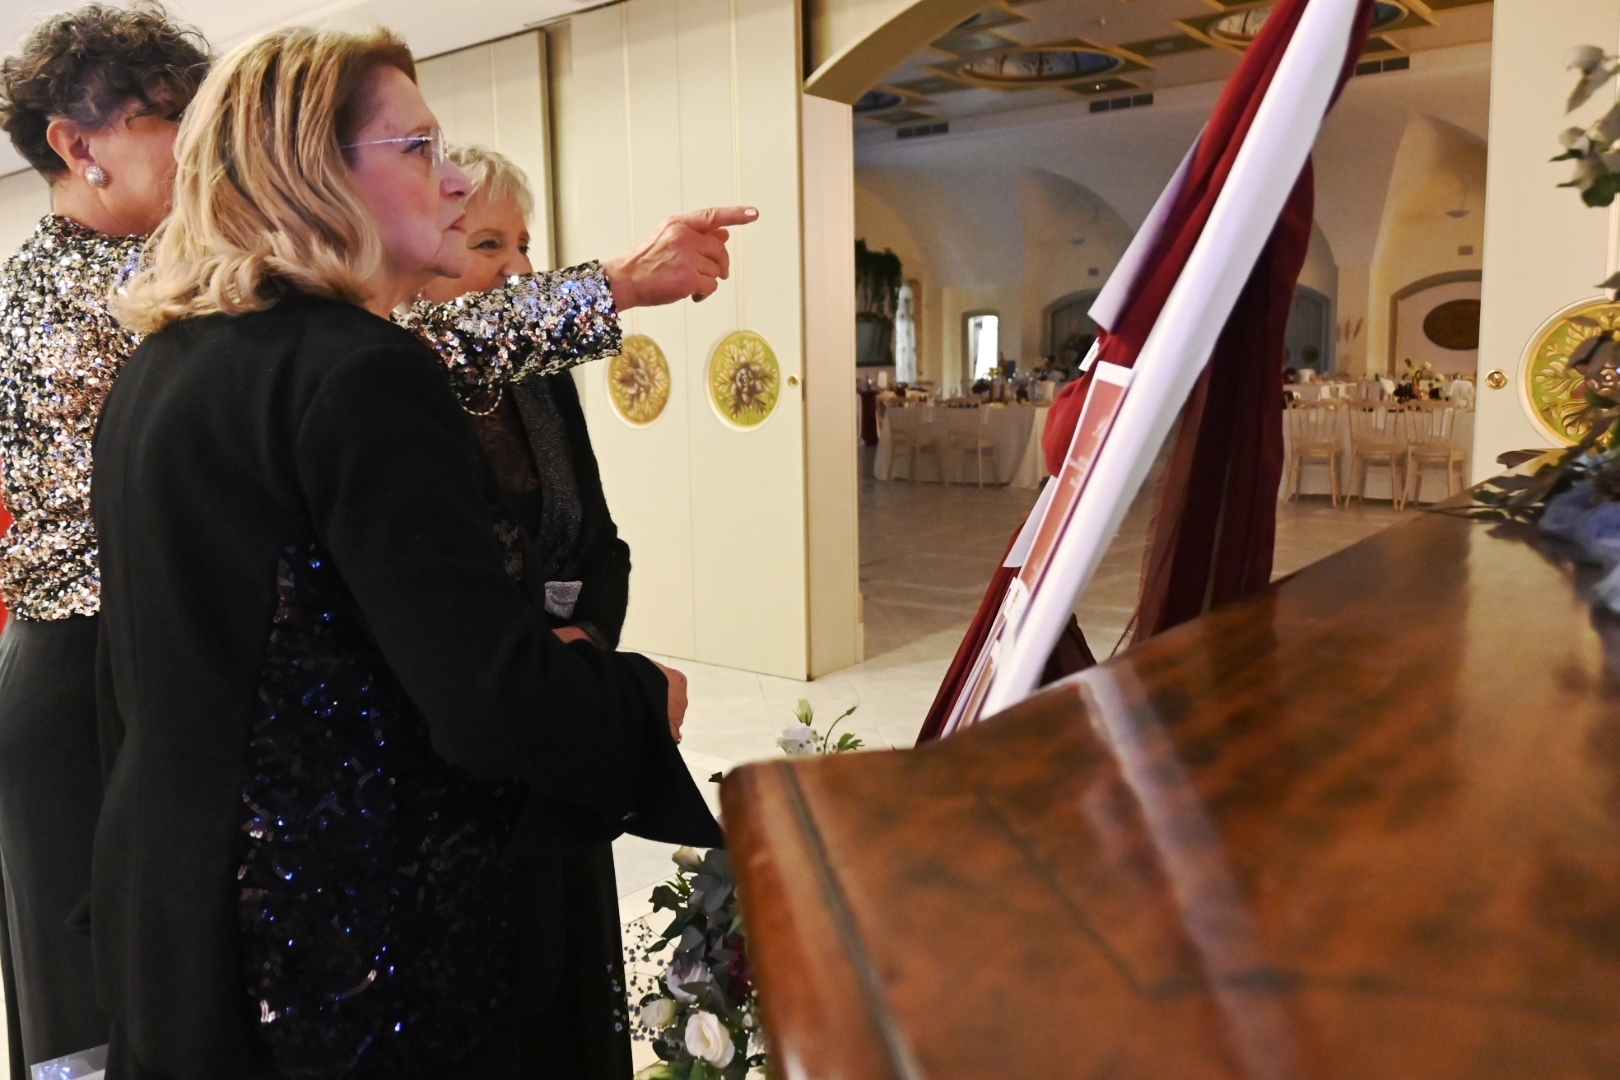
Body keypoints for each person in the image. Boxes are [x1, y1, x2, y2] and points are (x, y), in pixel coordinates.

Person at [0, 4, 746, 1071]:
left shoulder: (166, 361)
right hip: (326, 943)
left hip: (189, 916)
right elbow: (485, 703)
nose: (456, 178)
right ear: (314, 171)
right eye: (420, 148)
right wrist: (632, 702)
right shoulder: (357, 371)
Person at [0, 6, 209, 1070]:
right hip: (81, 682)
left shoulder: (153, 264)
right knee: (94, 1012)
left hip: (129, 668)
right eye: (171, 119)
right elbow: (367, 344)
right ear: (77, 145)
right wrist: (606, 291)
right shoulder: (109, 289)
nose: (202, 146)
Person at [416, 145, 636, 1075]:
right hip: (471, 747)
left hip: (562, 722)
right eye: (488, 245)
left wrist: (587, 644)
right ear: (426, 251)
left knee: (573, 983)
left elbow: (601, 543)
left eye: (524, 244)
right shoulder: (402, 391)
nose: (517, 268)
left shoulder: (542, 377)